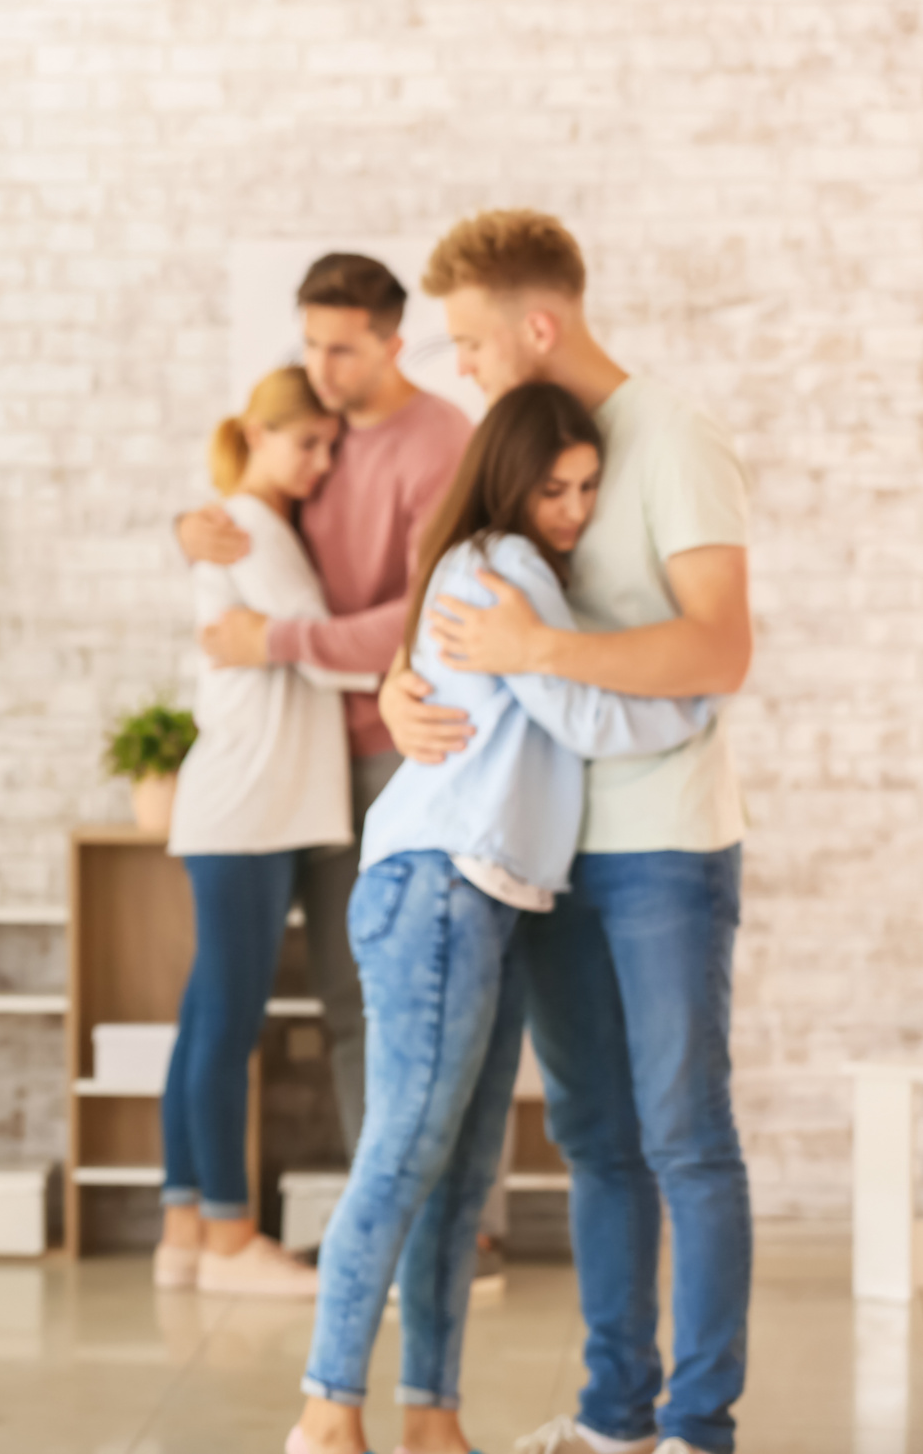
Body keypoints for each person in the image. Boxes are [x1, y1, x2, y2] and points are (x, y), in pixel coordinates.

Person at [376, 211, 752, 1454]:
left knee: (683, 1134)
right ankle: (615, 1417)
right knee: (594, 1138)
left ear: (537, 326)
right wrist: (395, 683)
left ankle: (697, 1427)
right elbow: (470, 601)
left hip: (663, 846)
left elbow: (719, 643)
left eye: (473, 343)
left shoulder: (674, 438)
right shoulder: (529, 457)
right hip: (549, 853)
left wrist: (540, 651)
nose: (463, 369)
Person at [291, 383, 714, 1454]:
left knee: (458, 1171)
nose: (570, 508)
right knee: (402, 1153)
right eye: (553, 486)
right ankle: (324, 1406)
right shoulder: (501, 564)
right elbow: (576, 707)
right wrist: (699, 688)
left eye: (585, 489)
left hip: (489, 894)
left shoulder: (501, 565)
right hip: (438, 881)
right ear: (509, 479)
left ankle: (432, 1414)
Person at [175, 254, 473, 1157]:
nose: (324, 369)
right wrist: (192, 531)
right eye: (311, 345)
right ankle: (371, 1216)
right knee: (335, 1001)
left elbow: (429, 618)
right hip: (304, 762)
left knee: (391, 994)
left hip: (393, 747)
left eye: (344, 350)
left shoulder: (441, 440)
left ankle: (444, 1220)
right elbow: (249, 532)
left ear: (393, 342)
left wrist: (275, 639)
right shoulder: (313, 434)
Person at [157, 367, 375, 1297]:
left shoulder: (240, 523)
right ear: (256, 432)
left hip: (249, 804)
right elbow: (326, 652)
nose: (321, 462)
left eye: (331, 446)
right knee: (227, 1024)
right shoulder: (252, 524)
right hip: (249, 806)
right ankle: (232, 1238)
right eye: (306, 443)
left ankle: (184, 1233)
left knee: (209, 1016)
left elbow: (288, 639)